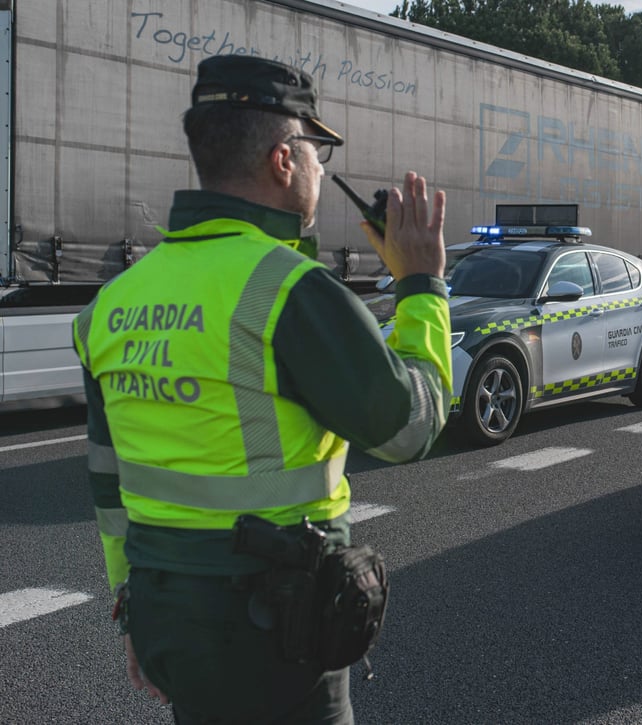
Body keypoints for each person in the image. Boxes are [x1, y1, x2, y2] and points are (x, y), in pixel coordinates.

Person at [71, 55, 452, 723]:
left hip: (168, 625)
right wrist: (421, 285)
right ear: (283, 159)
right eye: (318, 152)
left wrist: (130, 603)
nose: (320, 169)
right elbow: (409, 427)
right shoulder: (290, 292)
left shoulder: (112, 304)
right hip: (277, 633)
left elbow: (109, 483)